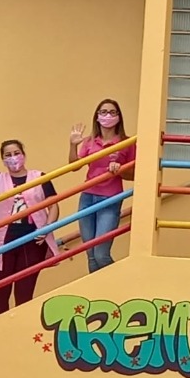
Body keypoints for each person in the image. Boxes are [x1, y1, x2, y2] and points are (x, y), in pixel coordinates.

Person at [0, 114, 60, 315]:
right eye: (8, 154)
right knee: (0, 293)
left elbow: (53, 205)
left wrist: (47, 227)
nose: (13, 157)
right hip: (4, 240)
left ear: (24, 155)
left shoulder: (39, 177)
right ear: (3, 159)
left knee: (24, 292)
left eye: (16, 153)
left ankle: (21, 327)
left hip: (32, 239)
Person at [68, 98, 136, 272]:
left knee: (101, 254)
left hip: (110, 199)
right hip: (87, 197)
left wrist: (120, 169)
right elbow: (74, 167)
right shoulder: (90, 141)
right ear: (97, 116)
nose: (108, 116)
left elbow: (134, 174)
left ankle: (123, 283)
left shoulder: (127, 142)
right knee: (91, 255)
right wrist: (73, 145)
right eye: (103, 112)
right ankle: (99, 289)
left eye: (112, 112)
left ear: (119, 117)